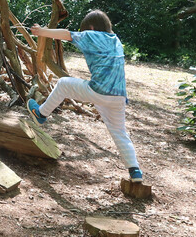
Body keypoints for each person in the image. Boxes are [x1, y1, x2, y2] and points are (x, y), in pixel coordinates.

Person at [26, 10, 144, 182]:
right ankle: (135, 171)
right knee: (119, 132)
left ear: (90, 27)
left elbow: (67, 35)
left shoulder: (91, 35)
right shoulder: (116, 40)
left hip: (99, 91)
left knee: (64, 83)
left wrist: (41, 31)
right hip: (119, 96)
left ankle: (41, 114)